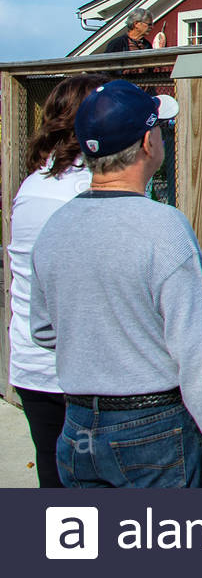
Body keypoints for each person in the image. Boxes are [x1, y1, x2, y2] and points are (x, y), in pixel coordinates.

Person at [29, 80, 202, 486]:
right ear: (148, 142)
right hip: (152, 428)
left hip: (77, 425)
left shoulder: (55, 228)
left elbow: (42, 330)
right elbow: (197, 349)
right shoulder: (164, 228)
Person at [6, 73, 109, 487]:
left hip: (32, 367)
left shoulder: (35, 185)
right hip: (78, 374)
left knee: (53, 474)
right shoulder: (88, 193)